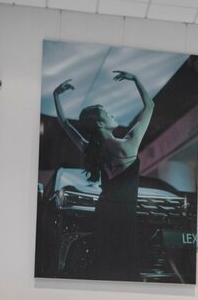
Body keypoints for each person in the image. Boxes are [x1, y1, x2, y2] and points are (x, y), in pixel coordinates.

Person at [53, 70, 154, 281]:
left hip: (104, 212)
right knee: (125, 268)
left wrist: (56, 96)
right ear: (100, 124)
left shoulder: (91, 150)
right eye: (107, 113)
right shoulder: (130, 143)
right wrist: (136, 79)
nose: (112, 114)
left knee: (104, 265)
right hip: (125, 215)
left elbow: (65, 124)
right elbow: (150, 106)